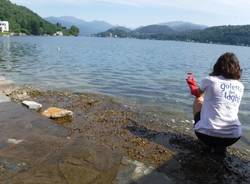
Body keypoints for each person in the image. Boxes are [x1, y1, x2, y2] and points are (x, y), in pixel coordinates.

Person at [186, 52, 244, 156]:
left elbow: (195, 93)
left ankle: (206, 143)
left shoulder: (210, 80)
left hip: (206, 135)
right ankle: (221, 147)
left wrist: (191, 82)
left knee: (199, 99)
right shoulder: (240, 86)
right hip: (233, 136)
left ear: (217, 66)